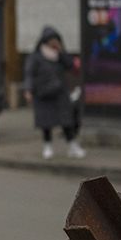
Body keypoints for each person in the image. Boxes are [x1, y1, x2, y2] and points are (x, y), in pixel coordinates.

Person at [24, 26, 85, 160]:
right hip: (43, 94)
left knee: (66, 120)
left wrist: (61, 52)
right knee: (46, 122)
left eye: (56, 40)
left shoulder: (59, 55)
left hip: (60, 93)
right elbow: (29, 74)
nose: (54, 42)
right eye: (51, 40)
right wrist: (28, 90)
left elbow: (70, 65)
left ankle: (72, 146)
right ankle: (47, 146)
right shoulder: (36, 57)